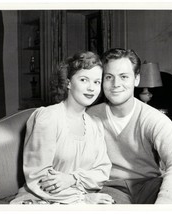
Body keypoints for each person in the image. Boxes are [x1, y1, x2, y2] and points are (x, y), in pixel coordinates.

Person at [87, 48, 172, 204]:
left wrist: (165, 202)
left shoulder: (154, 119)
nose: (116, 84)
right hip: (111, 189)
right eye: (109, 77)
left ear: (137, 79)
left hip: (149, 185)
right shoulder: (90, 117)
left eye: (124, 77)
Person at [10, 51, 113, 204]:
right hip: (42, 199)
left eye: (97, 82)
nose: (92, 88)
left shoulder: (95, 124)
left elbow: (102, 172)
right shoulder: (48, 117)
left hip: (83, 199)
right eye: (84, 80)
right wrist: (82, 199)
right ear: (68, 82)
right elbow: (39, 177)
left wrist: (72, 178)